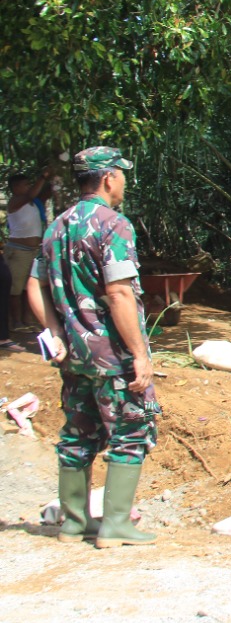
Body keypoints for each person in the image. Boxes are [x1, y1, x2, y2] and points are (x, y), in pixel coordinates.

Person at [26, 147, 161, 547]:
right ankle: (116, 525)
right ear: (107, 179)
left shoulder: (57, 226)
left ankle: (72, 523)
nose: (123, 183)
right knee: (132, 428)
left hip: (74, 355)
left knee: (77, 434)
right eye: (121, 175)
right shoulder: (113, 225)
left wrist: (55, 331)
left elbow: (34, 283)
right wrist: (139, 354)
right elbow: (119, 293)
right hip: (111, 354)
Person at [6, 169, 53, 330]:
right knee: (15, 289)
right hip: (19, 251)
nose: (28, 187)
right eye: (25, 185)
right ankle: (15, 321)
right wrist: (43, 176)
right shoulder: (15, 201)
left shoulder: (33, 202)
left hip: (33, 251)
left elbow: (43, 194)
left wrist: (55, 179)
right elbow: (30, 195)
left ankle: (27, 320)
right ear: (16, 187)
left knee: (28, 288)